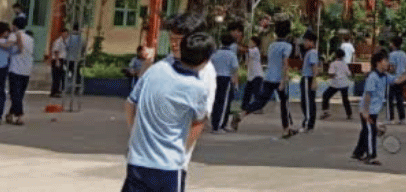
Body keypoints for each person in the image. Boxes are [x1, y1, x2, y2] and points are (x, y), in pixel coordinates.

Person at [122, 31, 214, 192]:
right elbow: (198, 122)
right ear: (205, 60)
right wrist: (183, 150)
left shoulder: (156, 70)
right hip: (169, 166)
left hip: (138, 161)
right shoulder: (198, 88)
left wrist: (134, 135)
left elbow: (130, 103)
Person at [351, 50, 406, 166]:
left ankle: (358, 153)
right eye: (385, 61)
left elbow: (398, 80)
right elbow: (368, 95)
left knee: (366, 131)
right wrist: (365, 112)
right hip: (368, 110)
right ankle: (371, 156)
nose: (387, 63)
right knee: (371, 133)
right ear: (378, 63)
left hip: (373, 110)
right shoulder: (373, 77)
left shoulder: (385, 76)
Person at [233, 19, 295, 138]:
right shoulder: (287, 46)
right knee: (284, 104)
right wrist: (283, 80)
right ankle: (286, 129)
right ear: (288, 32)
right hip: (279, 78)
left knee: (260, 102)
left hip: (268, 77)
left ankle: (241, 115)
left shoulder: (272, 45)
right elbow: (285, 64)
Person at [207, 33, 240, 133]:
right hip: (226, 79)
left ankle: (222, 124)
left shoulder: (215, 53)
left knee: (216, 101)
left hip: (215, 78)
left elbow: (209, 64)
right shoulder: (231, 55)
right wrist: (236, 82)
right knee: (224, 103)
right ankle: (217, 126)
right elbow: (235, 68)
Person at [6, 18, 34, 125]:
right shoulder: (30, 38)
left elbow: (6, 47)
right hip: (26, 70)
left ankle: (19, 116)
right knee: (19, 95)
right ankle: (10, 114)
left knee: (15, 94)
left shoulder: (13, 36)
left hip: (15, 69)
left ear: (14, 25)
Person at [297, 31, 319, 133]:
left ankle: (307, 124)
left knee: (307, 102)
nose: (304, 43)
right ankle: (309, 123)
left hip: (308, 79)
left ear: (311, 41)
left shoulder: (312, 52)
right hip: (306, 78)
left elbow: (314, 66)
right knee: (306, 102)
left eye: (306, 41)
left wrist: (314, 80)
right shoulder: (309, 52)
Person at [322, 48, 353, 121]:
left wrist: (332, 76)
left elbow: (331, 74)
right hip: (344, 84)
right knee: (345, 99)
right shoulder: (344, 64)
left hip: (335, 84)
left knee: (325, 95)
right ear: (343, 56)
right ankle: (349, 114)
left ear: (336, 55)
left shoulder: (333, 64)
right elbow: (349, 74)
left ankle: (326, 112)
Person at [386, 37, 406, 125]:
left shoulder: (392, 54)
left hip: (393, 78)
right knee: (400, 99)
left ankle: (390, 118)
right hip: (402, 78)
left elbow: (392, 68)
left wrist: (386, 71)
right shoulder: (404, 54)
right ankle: (402, 118)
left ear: (393, 44)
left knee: (390, 99)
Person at [241, 36, 264, 112]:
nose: (249, 43)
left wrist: (237, 46)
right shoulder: (250, 51)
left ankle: (259, 108)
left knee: (256, 92)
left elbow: (245, 50)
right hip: (251, 75)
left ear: (255, 43)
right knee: (247, 91)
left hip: (257, 75)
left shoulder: (255, 50)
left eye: (250, 41)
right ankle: (245, 106)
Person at [64, 24, 85, 95]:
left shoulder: (69, 37)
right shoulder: (81, 38)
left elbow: (66, 47)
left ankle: (68, 88)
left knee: (68, 74)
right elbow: (83, 48)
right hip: (77, 59)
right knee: (76, 74)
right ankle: (77, 89)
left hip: (68, 59)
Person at [50, 28, 69, 97]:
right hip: (57, 60)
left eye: (66, 34)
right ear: (61, 33)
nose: (65, 35)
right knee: (56, 77)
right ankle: (53, 92)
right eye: (64, 33)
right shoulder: (58, 41)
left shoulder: (65, 41)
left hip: (62, 60)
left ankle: (57, 90)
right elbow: (56, 51)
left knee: (59, 76)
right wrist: (57, 61)